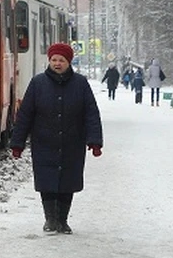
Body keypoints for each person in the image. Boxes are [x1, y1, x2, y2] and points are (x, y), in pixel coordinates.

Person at [10, 42, 103, 235]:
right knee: (47, 181)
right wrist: (17, 143)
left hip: (72, 142)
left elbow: (91, 113)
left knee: (68, 182)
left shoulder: (80, 83)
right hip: (44, 142)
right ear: (49, 61)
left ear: (69, 62)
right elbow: (25, 114)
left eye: (61, 60)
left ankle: (63, 220)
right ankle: (50, 220)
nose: (57, 63)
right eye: (54, 60)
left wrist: (94, 141)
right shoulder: (38, 83)